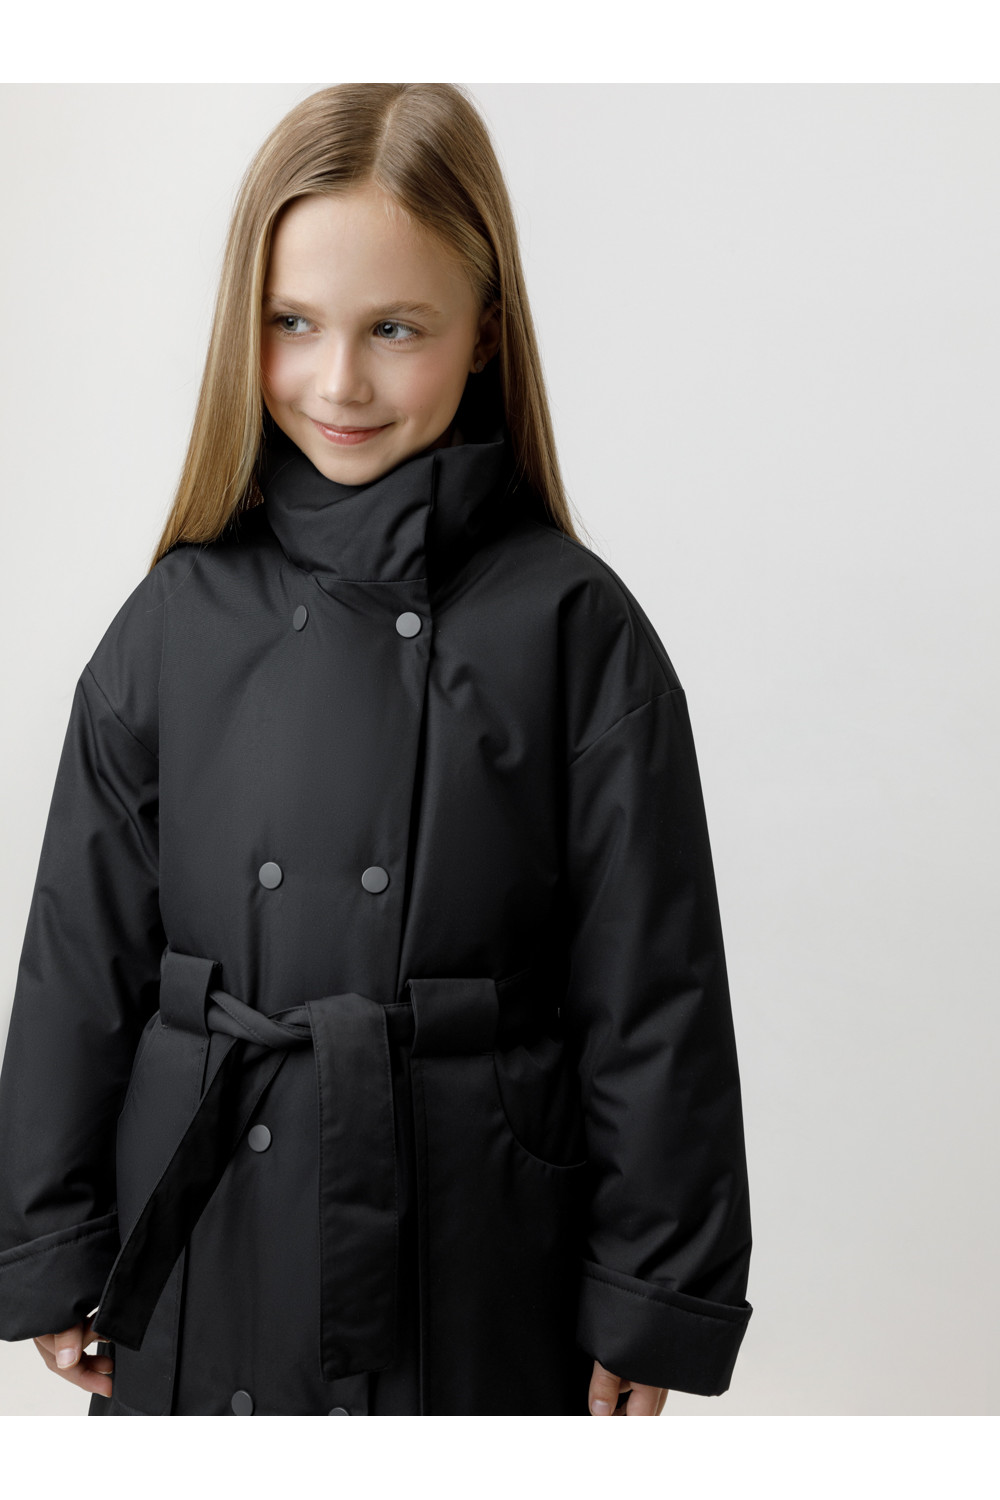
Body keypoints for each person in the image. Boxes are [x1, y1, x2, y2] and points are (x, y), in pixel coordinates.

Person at [0, 82, 753, 1417]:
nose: (338, 381)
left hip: (473, 1241)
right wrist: (48, 1239)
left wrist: (656, 1288)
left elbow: (652, 990)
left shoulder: (573, 627)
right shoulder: (173, 617)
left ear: (484, 333)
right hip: (206, 1230)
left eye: (394, 328)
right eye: (292, 323)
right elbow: (80, 951)